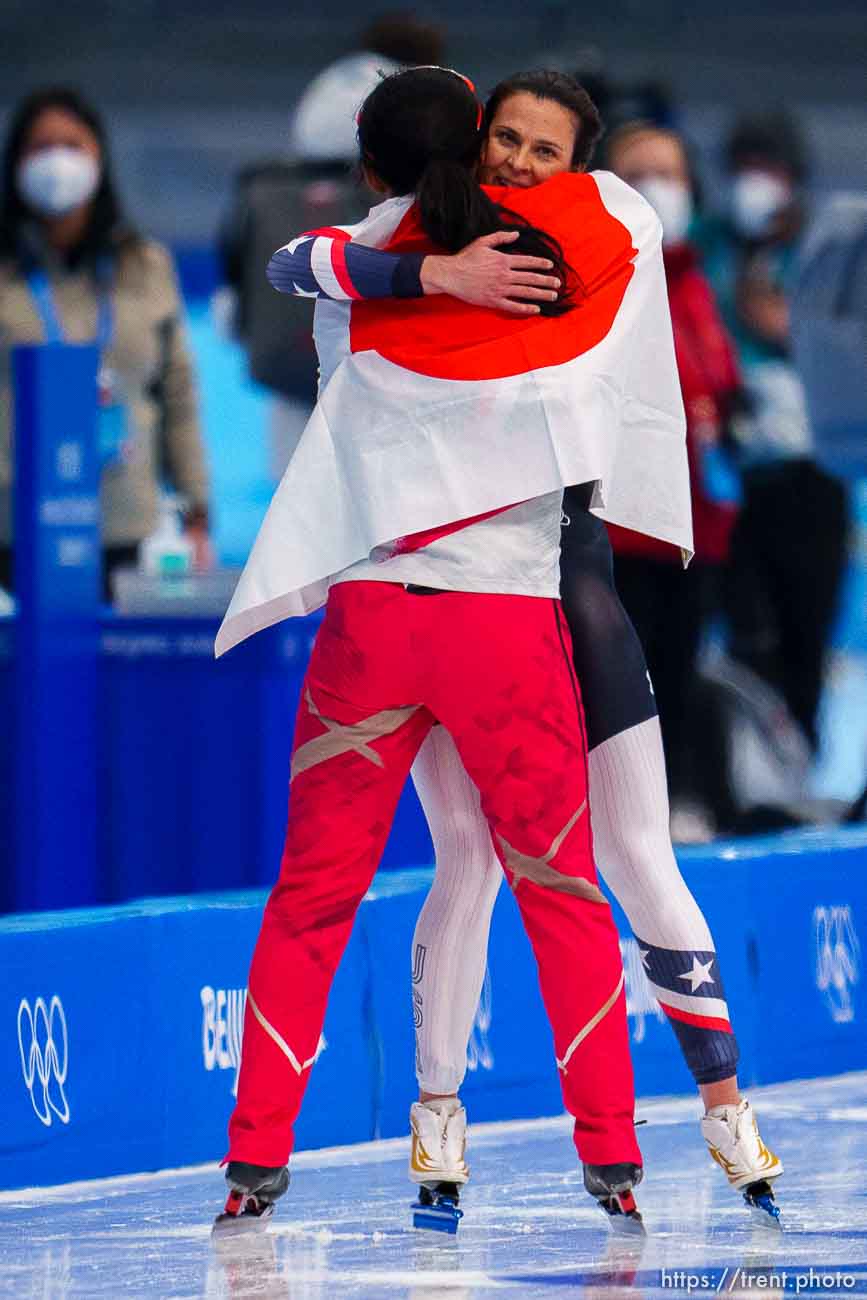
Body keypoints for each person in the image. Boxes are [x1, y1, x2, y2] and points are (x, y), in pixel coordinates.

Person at [263, 69, 782, 1223]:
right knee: (468, 864)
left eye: (546, 148)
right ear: (476, 135)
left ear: (580, 161)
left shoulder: (600, 223)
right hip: (483, 612)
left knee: (641, 858)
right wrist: (422, 265)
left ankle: (725, 1110)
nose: (520, 163)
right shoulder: (426, 234)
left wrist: (426, 254)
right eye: (505, 137)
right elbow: (296, 260)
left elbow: (323, 256)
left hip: (576, 608)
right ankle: (437, 1116)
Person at [0, 87, 210, 600]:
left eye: (72, 146)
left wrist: (198, 510)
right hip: (12, 525)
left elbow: (177, 394)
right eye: (40, 147)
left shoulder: (146, 266)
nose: (57, 161)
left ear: (99, 159)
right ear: (15, 164)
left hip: (127, 524)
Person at [218, 12, 445, 477]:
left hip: (291, 374)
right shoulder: (406, 99)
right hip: (380, 377)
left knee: (297, 513)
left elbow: (235, 283)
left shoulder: (330, 89)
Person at [602, 121, 743, 838]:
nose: (659, 188)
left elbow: (715, 378)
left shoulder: (694, 278)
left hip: (696, 523)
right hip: (625, 526)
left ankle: (678, 800)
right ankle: (625, 816)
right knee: (630, 680)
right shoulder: (607, 277)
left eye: (670, 174)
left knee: (683, 674)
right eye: (639, 173)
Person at [698, 111, 849, 755]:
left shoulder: (827, 248)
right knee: (744, 636)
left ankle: (803, 764)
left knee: (805, 631)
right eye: (744, 168)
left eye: (770, 169)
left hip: (813, 471)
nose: (755, 182)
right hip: (728, 477)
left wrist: (788, 326)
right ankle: (750, 773)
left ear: (793, 179)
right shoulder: (702, 245)